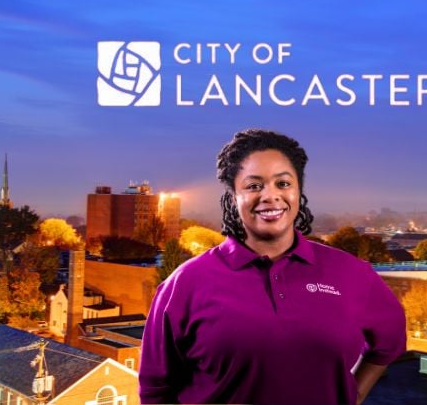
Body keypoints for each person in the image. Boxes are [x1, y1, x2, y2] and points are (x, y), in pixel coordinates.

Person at [139, 129, 406, 404]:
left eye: (283, 183)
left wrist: (353, 394)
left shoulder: (351, 274)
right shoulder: (185, 283)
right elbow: (155, 390)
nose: (270, 196)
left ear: (298, 191)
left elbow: (390, 342)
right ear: (233, 197)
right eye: (254, 186)